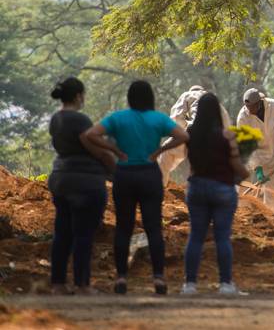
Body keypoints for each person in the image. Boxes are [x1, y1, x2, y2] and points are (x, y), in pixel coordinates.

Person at [82, 80, 189, 295]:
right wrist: (160, 151)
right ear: (150, 97)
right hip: (149, 174)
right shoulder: (157, 118)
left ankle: (121, 277)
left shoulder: (119, 118)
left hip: (124, 175)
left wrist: (114, 149)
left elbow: (90, 135)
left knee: (124, 227)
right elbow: (183, 136)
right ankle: (158, 278)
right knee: (153, 227)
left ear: (130, 97)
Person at [47, 77, 114, 295]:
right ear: (78, 96)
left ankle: (57, 283)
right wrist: (114, 167)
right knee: (83, 234)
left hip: (60, 178)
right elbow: (96, 149)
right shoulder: (80, 119)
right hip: (86, 181)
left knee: (62, 232)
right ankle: (82, 284)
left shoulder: (55, 119)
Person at [181, 93, 250, 296]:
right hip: (222, 189)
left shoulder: (190, 134)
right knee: (222, 238)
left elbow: (190, 163)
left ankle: (190, 285)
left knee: (195, 236)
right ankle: (225, 285)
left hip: (197, 188)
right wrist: (246, 173)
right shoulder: (227, 136)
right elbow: (237, 166)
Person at [160, 85, 231, 186]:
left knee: (165, 153)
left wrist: (185, 127)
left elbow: (176, 118)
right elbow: (227, 126)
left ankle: (160, 188)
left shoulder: (189, 95)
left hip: (195, 134)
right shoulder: (218, 103)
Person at [237, 89, 274, 197]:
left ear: (259, 103)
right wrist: (258, 168)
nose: (249, 110)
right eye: (247, 107)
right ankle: (243, 210)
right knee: (244, 184)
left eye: (252, 107)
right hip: (254, 154)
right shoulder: (242, 118)